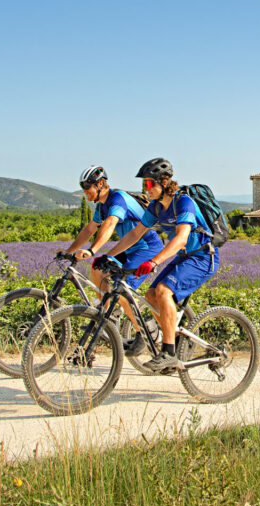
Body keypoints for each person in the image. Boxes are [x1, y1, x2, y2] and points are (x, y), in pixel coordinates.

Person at [106, 158, 219, 372]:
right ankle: (173, 335)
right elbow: (135, 233)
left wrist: (154, 261)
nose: (145, 189)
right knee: (150, 296)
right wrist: (109, 255)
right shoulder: (156, 207)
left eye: (149, 184)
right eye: (144, 185)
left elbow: (181, 239)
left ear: (164, 181)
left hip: (203, 257)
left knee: (163, 291)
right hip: (185, 258)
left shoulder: (182, 202)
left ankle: (168, 353)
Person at [62, 165, 164, 352]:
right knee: (98, 267)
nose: (84, 191)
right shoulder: (102, 206)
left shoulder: (117, 199)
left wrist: (92, 250)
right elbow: (89, 229)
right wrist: (69, 251)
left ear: (100, 184)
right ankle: (107, 315)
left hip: (147, 248)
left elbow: (110, 224)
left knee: (122, 289)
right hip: (131, 248)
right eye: (83, 187)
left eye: (87, 186)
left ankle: (148, 332)